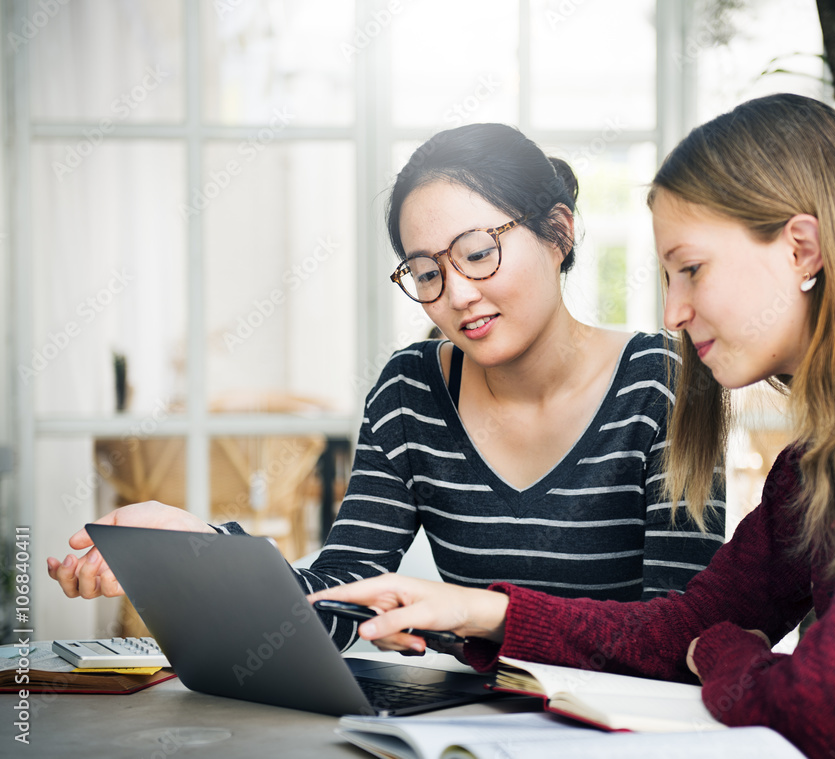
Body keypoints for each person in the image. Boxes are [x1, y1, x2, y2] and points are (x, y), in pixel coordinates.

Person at [306, 94, 835, 759]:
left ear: (801, 249)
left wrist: (725, 652)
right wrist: (477, 611)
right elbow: (683, 625)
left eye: (691, 269)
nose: (673, 310)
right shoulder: (830, 451)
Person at [48, 123, 725, 651]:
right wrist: (201, 549)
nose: (458, 294)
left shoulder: (664, 383)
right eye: (425, 272)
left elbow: (678, 635)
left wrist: (484, 616)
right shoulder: (412, 390)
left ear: (558, 231)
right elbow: (342, 595)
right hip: (477, 729)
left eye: (479, 251)